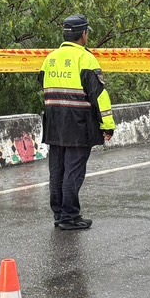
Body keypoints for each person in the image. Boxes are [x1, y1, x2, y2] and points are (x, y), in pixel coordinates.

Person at [42, 14, 115, 230]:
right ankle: (70, 216)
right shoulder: (85, 59)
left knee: (57, 171)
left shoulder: (50, 59)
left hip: (54, 124)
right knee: (73, 171)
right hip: (78, 124)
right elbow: (99, 95)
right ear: (83, 34)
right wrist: (107, 125)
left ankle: (59, 214)